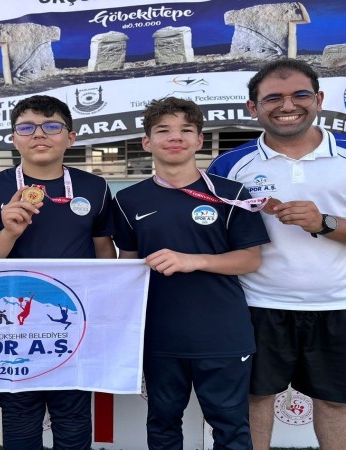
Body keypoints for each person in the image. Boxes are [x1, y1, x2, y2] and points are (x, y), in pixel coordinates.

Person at [207, 58, 346, 449]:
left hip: (344, 305)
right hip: (255, 306)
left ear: (319, 100)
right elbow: (213, 236)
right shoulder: (229, 165)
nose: (287, 106)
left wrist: (325, 222)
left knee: (336, 405)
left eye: (300, 95)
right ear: (253, 108)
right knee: (253, 401)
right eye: (273, 98)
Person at [0, 94, 116, 449]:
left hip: (72, 318)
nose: (39, 134)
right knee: (19, 413)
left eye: (51, 126)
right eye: (27, 127)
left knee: (73, 412)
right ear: (13, 138)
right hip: (12, 323)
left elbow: (104, 251)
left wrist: (107, 307)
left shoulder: (95, 187)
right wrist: (9, 232)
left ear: (70, 137)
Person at [113, 97, 269, 449]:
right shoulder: (128, 200)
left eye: (186, 130)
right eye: (163, 130)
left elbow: (250, 259)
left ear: (199, 140)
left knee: (231, 428)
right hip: (158, 335)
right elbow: (128, 264)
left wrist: (193, 260)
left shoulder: (231, 194)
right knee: (163, 424)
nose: (175, 137)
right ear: (147, 142)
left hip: (222, 334)